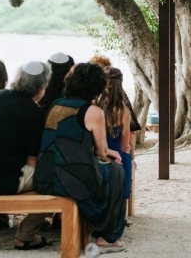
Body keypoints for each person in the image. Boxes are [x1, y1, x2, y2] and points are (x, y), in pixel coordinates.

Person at [34, 62, 127, 253]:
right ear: (97, 86)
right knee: (116, 170)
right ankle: (107, 235)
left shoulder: (55, 105)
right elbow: (101, 151)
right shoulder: (93, 111)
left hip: (45, 176)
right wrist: (111, 152)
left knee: (105, 171)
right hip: (70, 180)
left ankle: (101, 230)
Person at [0, 61, 52, 250]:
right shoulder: (34, 113)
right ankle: (26, 236)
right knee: (53, 180)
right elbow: (32, 161)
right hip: (6, 182)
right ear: (40, 89)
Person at [97, 67, 133, 200]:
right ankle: (121, 207)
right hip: (118, 158)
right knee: (126, 156)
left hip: (96, 156)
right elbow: (124, 146)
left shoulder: (93, 108)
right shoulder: (124, 112)